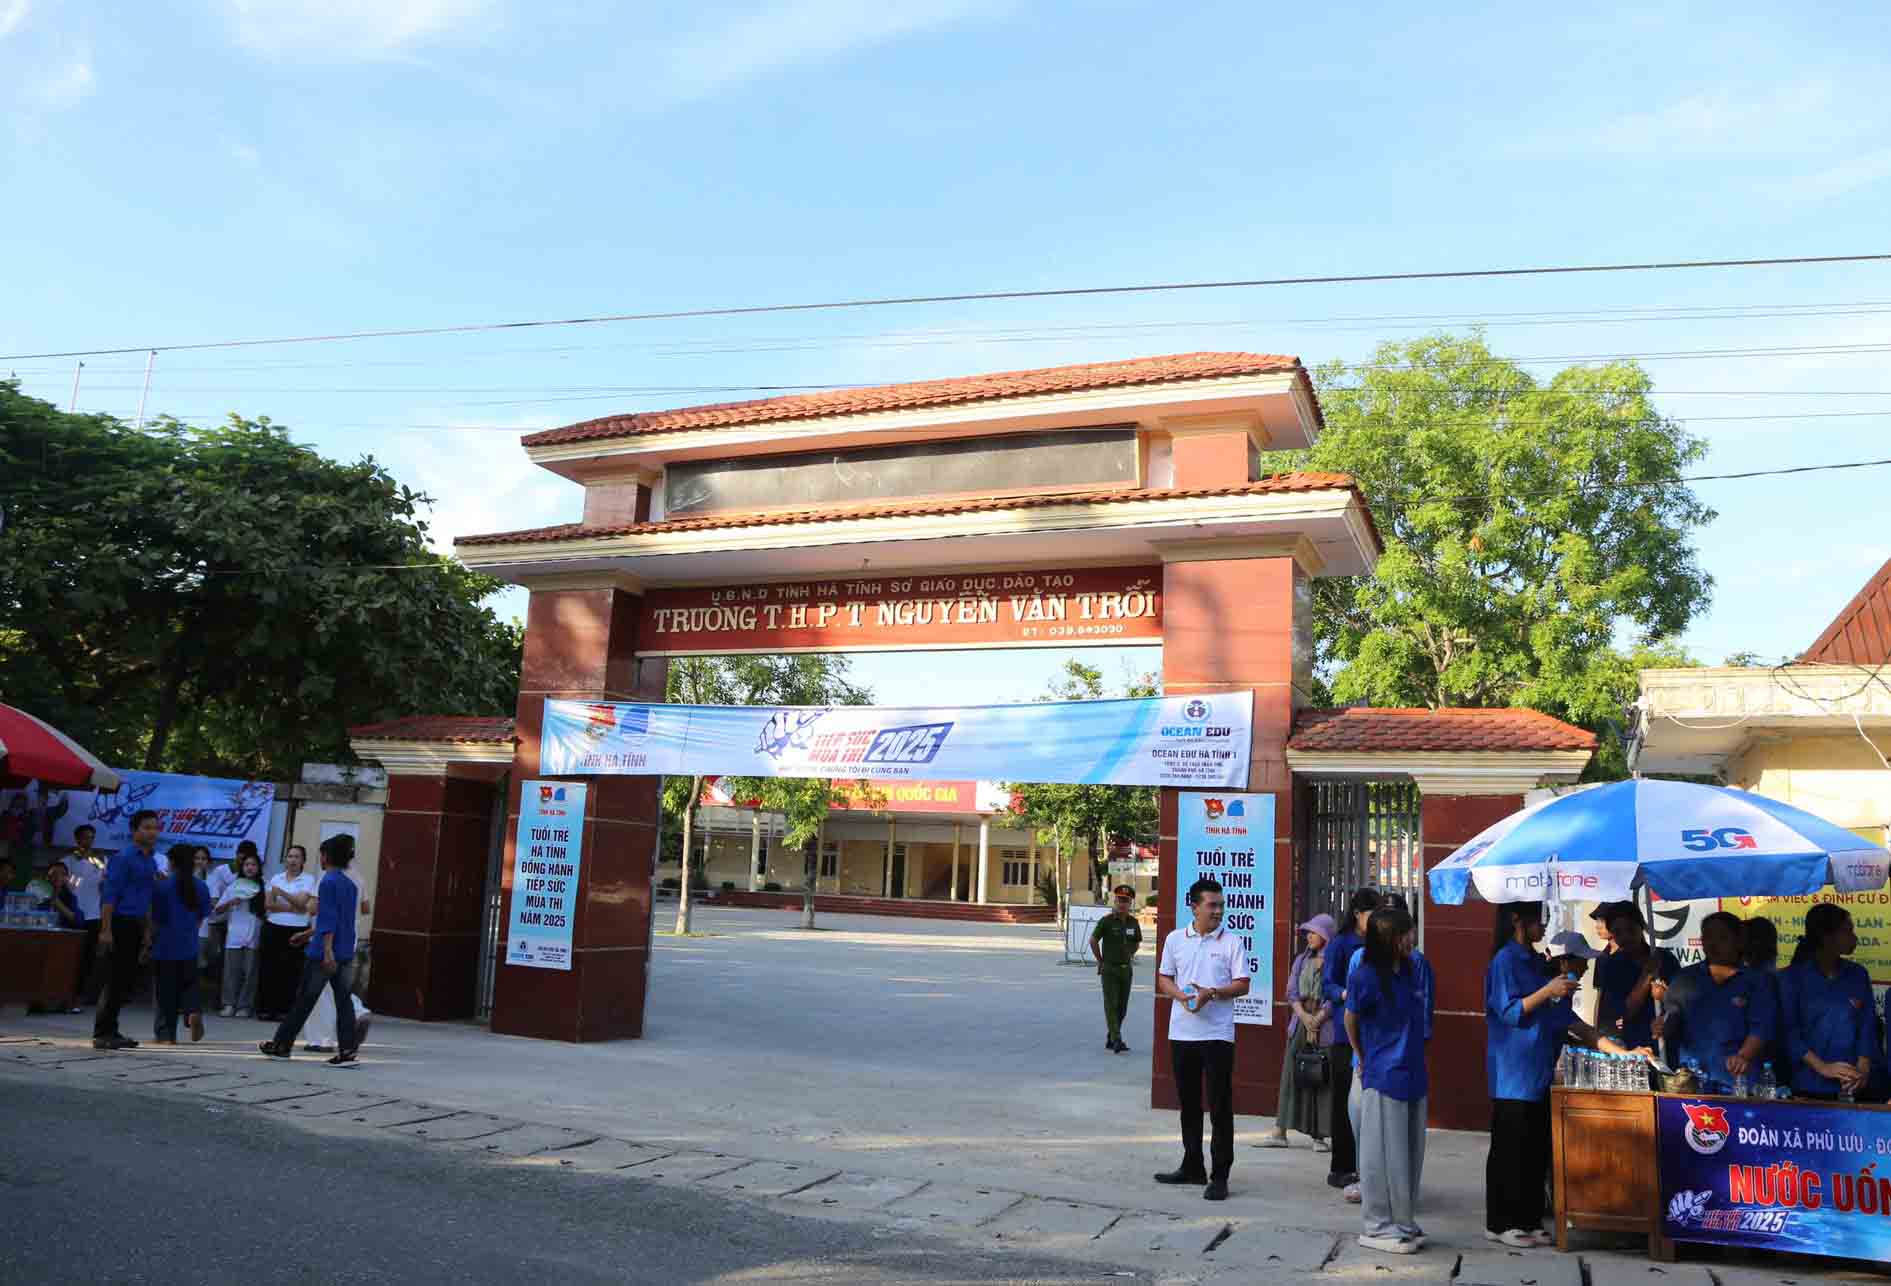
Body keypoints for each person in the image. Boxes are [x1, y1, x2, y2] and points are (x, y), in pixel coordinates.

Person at [1487, 904, 1642, 1249]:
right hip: (1513, 1072)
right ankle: (1501, 1222)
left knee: (1536, 1151)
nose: (1543, 926)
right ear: (1517, 921)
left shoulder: (1537, 965)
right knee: (1509, 1150)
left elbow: (1576, 1027)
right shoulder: (1505, 961)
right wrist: (1547, 992)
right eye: (1537, 921)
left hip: (1541, 1073)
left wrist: (1625, 1054)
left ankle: (1528, 1219)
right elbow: (1510, 1012)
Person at [1153, 876, 1251, 1202]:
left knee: (1220, 1106)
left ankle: (1219, 1175)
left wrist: (1213, 994)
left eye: (1221, 905)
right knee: (1189, 1104)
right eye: (1212, 905)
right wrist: (1182, 996)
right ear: (1194, 907)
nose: (1218, 911)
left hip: (1217, 1035)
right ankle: (1192, 1165)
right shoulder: (1174, 940)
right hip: (1182, 1033)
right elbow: (1164, 977)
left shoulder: (1232, 942)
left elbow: (1243, 984)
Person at [1345, 905, 1432, 1255]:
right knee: (1381, 1153)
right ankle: (1378, 1225)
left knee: (1410, 1154)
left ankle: (1404, 1220)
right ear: (1387, 939)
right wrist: (1362, 1056)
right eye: (1404, 933)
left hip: (1413, 1072)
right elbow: (1351, 1017)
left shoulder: (1412, 969)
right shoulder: (1366, 974)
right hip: (1383, 1073)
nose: (1411, 938)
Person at [259, 833, 361, 1065]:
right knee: (344, 1002)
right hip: (345, 950)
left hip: (325, 953)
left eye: (322, 854)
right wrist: (306, 934)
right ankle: (348, 1051)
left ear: (327, 856)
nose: (321, 859)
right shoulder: (350, 884)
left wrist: (326, 951)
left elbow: (328, 919)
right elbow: (342, 920)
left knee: (305, 998)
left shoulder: (327, 882)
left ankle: (282, 1045)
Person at [1655, 911, 1778, 1095]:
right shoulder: (1685, 978)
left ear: (1739, 941)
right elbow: (1672, 1015)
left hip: (1739, 1082)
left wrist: (1744, 1056)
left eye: (1722, 937)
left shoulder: (1756, 981)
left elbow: (1761, 1027)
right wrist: (1662, 1026)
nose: (1713, 943)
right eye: (1708, 937)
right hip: (1693, 1082)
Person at [1777, 903, 1875, 1099]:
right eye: (1847, 931)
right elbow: (1789, 1032)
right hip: (1806, 1086)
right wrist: (1822, 1067)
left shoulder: (1858, 974)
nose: (1854, 938)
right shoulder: (1791, 978)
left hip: (1852, 1086)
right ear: (1826, 937)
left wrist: (1863, 1067)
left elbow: (1867, 1025)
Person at [1322, 887, 1379, 1193]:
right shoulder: (1342, 945)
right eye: (1373, 914)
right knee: (1345, 1102)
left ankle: (1366, 1165)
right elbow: (1327, 985)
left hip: (1373, 1033)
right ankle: (1341, 1167)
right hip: (1346, 1033)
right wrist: (1345, 994)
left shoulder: (1379, 944)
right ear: (1357, 914)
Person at [1264, 913, 1336, 1150]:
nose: (1309, 936)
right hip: (1300, 1022)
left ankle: (1319, 1135)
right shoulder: (1301, 960)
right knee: (1291, 1075)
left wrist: (1317, 1020)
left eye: (1314, 932)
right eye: (1308, 932)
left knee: (1321, 1076)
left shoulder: (1334, 962)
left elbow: (1333, 996)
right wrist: (1305, 1018)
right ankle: (1280, 1131)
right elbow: (1291, 992)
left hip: (1324, 1025)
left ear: (1326, 935)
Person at [91, 810, 160, 1050]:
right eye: (147, 827)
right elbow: (109, 896)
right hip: (119, 922)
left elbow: (148, 898)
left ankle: (112, 1029)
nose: (152, 832)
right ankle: (102, 1033)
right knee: (114, 979)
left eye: (155, 828)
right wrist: (106, 930)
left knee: (125, 981)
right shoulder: (123, 858)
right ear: (134, 831)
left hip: (137, 924)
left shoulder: (150, 860)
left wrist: (148, 931)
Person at [149, 844, 211, 1044]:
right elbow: (201, 916)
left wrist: (147, 940)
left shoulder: (162, 887)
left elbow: (155, 918)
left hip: (165, 945)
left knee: (165, 991)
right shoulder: (201, 887)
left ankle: (166, 1035)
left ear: (172, 862)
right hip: (189, 943)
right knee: (189, 984)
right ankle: (192, 1012)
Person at [1593, 904, 1676, 1050]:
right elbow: (1624, 1012)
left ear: (1642, 926)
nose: (1625, 937)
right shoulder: (1612, 965)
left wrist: (1666, 997)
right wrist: (1646, 975)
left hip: (1668, 1046)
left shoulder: (1665, 959)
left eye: (1631, 930)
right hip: (1634, 1049)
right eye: (1618, 932)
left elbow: (1682, 1005)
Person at [259, 845, 317, 1022]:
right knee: (270, 968)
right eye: (290, 856)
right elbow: (268, 904)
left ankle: (285, 1010)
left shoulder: (308, 879)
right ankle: (266, 1008)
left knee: (291, 970)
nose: (292, 860)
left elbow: (303, 904)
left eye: (296, 857)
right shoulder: (277, 877)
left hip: (296, 930)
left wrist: (282, 893)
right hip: (273, 927)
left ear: (303, 861)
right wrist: (293, 907)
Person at [1089, 883, 1142, 1053]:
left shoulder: (1133, 923)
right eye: (1119, 900)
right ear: (1115, 900)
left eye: (1126, 900)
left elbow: (1137, 942)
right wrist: (1100, 961)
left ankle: (1111, 1037)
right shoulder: (1106, 921)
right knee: (1111, 1005)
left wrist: (1130, 953)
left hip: (1126, 969)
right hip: (1109, 969)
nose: (1122, 903)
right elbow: (1093, 940)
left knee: (1122, 1007)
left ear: (1130, 903)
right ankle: (1117, 1039)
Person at [217, 850, 265, 1018]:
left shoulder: (264, 887)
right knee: (231, 972)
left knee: (250, 973)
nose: (250, 868)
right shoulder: (233, 886)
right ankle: (229, 1004)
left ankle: (244, 1006)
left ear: (258, 868)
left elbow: (269, 910)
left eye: (253, 865)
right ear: (242, 867)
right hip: (234, 936)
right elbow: (217, 910)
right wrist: (231, 902)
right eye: (246, 865)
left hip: (254, 936)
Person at [64, 824, 107, 1005]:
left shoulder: (99, 861)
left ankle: (83, 995)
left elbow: (106, 881)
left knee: (89, 958)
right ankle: (67, 993)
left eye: (92, 837)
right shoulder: (67, 861)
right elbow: (68, 886)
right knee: (71, 956)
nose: (89, 841)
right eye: (85, 837)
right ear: (77, 839)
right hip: (74, 915)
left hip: (94, 916)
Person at [204, 843, 242, 981]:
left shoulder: (250, 875)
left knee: (229, 958)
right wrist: (219, 907)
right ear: (236, 854)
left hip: (236, 923)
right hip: (218, 920)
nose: (243, 860)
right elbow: (214, 895)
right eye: (240, 855)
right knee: (214, 955)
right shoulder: (221, 870)